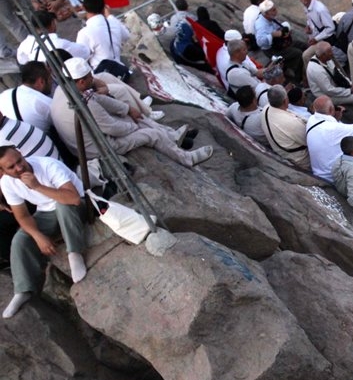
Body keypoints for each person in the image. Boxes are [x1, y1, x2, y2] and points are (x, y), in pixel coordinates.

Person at [55, 58, 212, 167]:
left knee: (132, 115)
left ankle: (171, 136)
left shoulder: (65, 90)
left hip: (92, 139)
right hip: (100, 149)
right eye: (90, 76)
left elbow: (99, 99)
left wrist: (128, 109)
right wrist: (134, 125)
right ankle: (186, 159)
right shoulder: (85, 103)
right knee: (151, 134)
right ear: (81, 81)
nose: (93, 78)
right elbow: (112, 128)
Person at [0, 146, 87, 318]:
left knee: (62, 204)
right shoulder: (6, 183)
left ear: (21, 153)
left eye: (19, 160)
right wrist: (38, 236)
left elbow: (73, 198)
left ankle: (74, 253)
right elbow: (22, 216)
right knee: (20, 239)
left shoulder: (48, 165)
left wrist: (37, 186)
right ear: (2, 171)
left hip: (77, 206)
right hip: (46, 212)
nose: (19, 168)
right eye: (11, 167)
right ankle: (23, 289)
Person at [306, 94, 353, 182]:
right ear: (330, 109)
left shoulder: (311, 119)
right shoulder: (333, 128)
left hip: (319, 170)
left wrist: (336, 119)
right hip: (332, 175)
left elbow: (332, 133)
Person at [76, 0, 131, 79]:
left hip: (102, 77)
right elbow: (126, 36)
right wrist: (109, 15)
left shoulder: (84, 32)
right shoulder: (113, 22)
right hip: (120, 72)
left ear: (84, 8)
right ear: (104, 7)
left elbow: (80, 59)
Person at [260, 85, 310, 171]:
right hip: (300, 161)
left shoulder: (266, 109)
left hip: (282, 153)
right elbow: (310, 140)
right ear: (285, 100)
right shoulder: (292, 123)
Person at [252, 0, 303, 82]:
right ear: (266, 13)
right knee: (297, 53)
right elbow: (260, 42)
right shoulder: (261, 25)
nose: (276, 12)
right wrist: (272, 35)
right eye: (273, 10)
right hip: (272, 49)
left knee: (301, 45)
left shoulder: (269, 18)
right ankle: (298, 79)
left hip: (279, 43)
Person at [16, 10, 88, 65]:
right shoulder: (60, 44)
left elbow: (22, 61)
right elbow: (85, 52)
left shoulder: (24, 44)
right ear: (53, 23)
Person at [2, 61, 55, 134]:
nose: (51, 82)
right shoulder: (44, 102)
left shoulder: (5, 94)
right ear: (41, 82)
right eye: (50, 79)